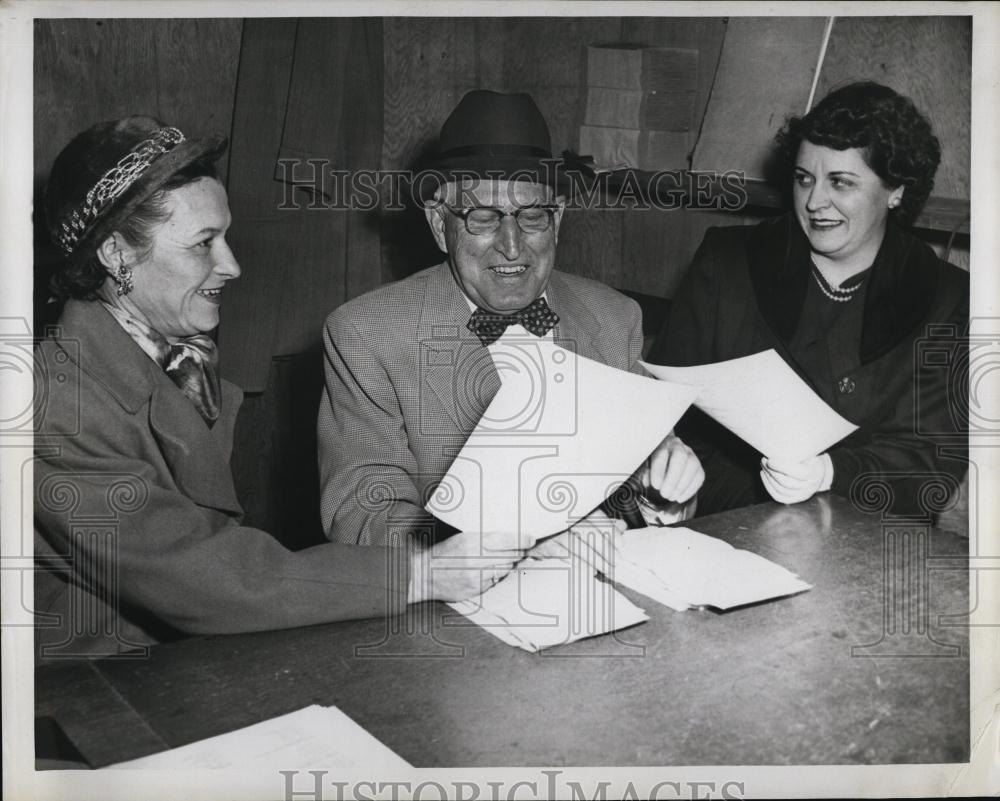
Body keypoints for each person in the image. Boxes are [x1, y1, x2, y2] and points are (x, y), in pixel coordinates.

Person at [33, 116, 520, 659]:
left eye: (226, 237)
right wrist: (420, 573)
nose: (232, 265)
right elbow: (200, 579)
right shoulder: (55, 406)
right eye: (203, 244)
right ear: (116, 253)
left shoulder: (166, 355)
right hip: (92, 682)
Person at [318, 90, 704, 546]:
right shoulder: (367, 334)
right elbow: (360, 512)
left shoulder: (615, 319)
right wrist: (491, 548)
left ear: (558, 220)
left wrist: (663, 490)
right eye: (483, 218)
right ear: (440, 225)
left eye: (532, 216)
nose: (512, 246)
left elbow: (644, 500)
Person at [648, 82, 969, 515]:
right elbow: (664, 407)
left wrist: (830, 472)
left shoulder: (945, 297)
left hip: (858, 525)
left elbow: (929, 466)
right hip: (719, 514)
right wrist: (667, 464)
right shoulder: (727, 261)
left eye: (841, 182)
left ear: (896, 190)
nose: (815, 201)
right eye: (804, 179)